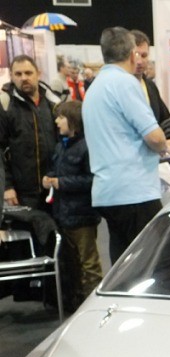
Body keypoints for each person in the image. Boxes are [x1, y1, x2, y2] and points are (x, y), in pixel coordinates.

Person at [82, 26, 170, 264]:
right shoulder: (124, 83)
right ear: (133, 53)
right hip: (134, 191)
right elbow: (154, 137)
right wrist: (164, 145)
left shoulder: (96, 87)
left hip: (108, 191)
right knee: (151, 263)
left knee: (123, 263)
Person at [42, 100, 102, 311]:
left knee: (89, 264)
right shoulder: (61, 146)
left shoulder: (87, 147)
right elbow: (57, 170)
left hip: (83, 217)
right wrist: (49, 177)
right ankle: (78, 304)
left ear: (73, 120)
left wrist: (61, 183)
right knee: (72, 264)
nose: (56, 122)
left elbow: (92, 179)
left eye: (61, 117)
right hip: (63, 215)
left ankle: (93, 307)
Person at [0, 55, 60, 210]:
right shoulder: (5, 105)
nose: (24, 78)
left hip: (54, 188)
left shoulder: (53, 102)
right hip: (22, 193)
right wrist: (6, 186)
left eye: (28, 73)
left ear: (38, 73)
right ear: (11, 76)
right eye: (18, 74)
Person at [131, 30, 170, 124]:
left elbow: (165, 120)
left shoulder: (150, 86)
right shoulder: (115, 87)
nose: (139, 61)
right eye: (135, 55)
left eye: (144, 55)